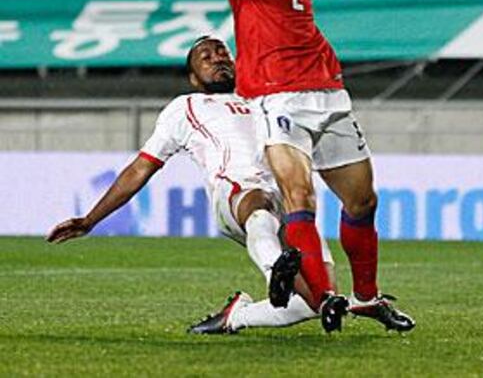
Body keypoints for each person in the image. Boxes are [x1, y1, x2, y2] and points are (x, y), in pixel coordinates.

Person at [174, 0, 415, 334]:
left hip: (329, 92)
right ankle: (323, 299)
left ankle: (365, 298)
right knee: (299, 197)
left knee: (362, 200)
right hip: (276, 98)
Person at [47, 37, 334, 334]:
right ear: (194, 78)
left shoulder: (266, 100)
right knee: (258, 203)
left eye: (223, 52)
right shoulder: (185, 107)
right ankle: (274, 271)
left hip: (291, 202)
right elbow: (141, 167)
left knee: (320, 299)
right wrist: (90, 220)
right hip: (236, 194)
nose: (218, 58)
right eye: (206, 57)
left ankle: (235, 317)